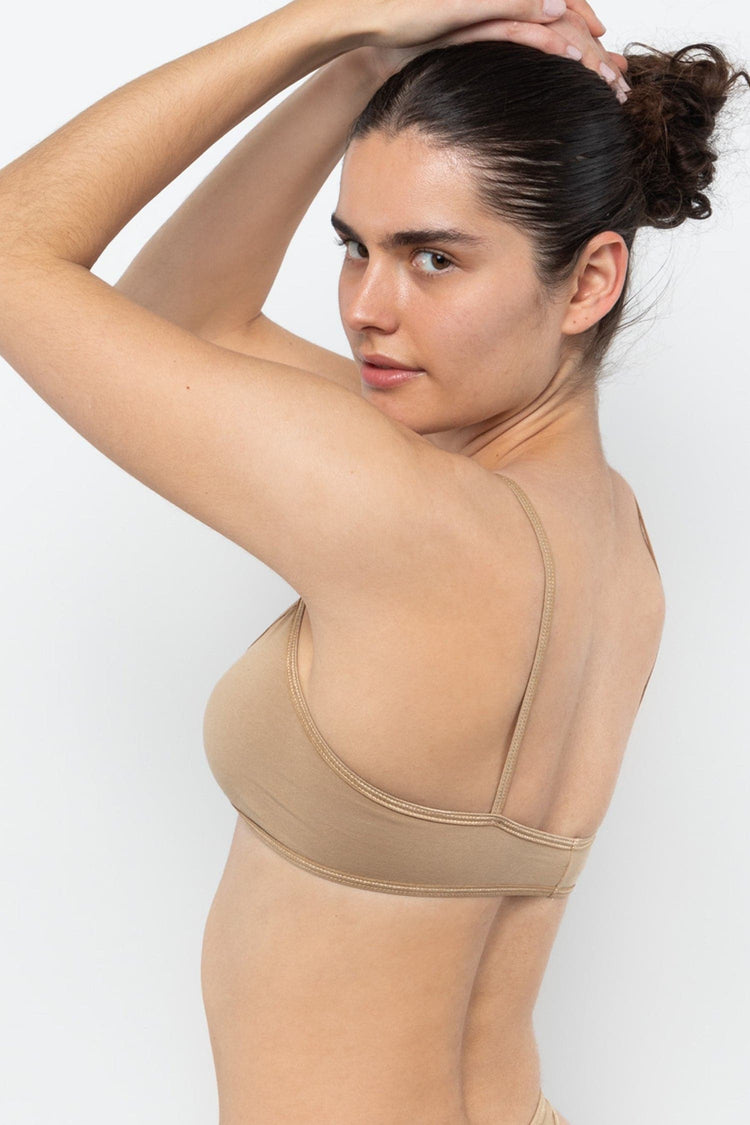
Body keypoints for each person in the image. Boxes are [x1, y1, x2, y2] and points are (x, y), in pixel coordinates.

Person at [1, 0, 746, 1121]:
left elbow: (14, 251)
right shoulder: (610, 532)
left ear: (590, 282)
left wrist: (326, 26)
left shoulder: (407, 516)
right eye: (355, 248)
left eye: (433, 258)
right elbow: (178, 321)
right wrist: (367, 70)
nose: (366, 309)